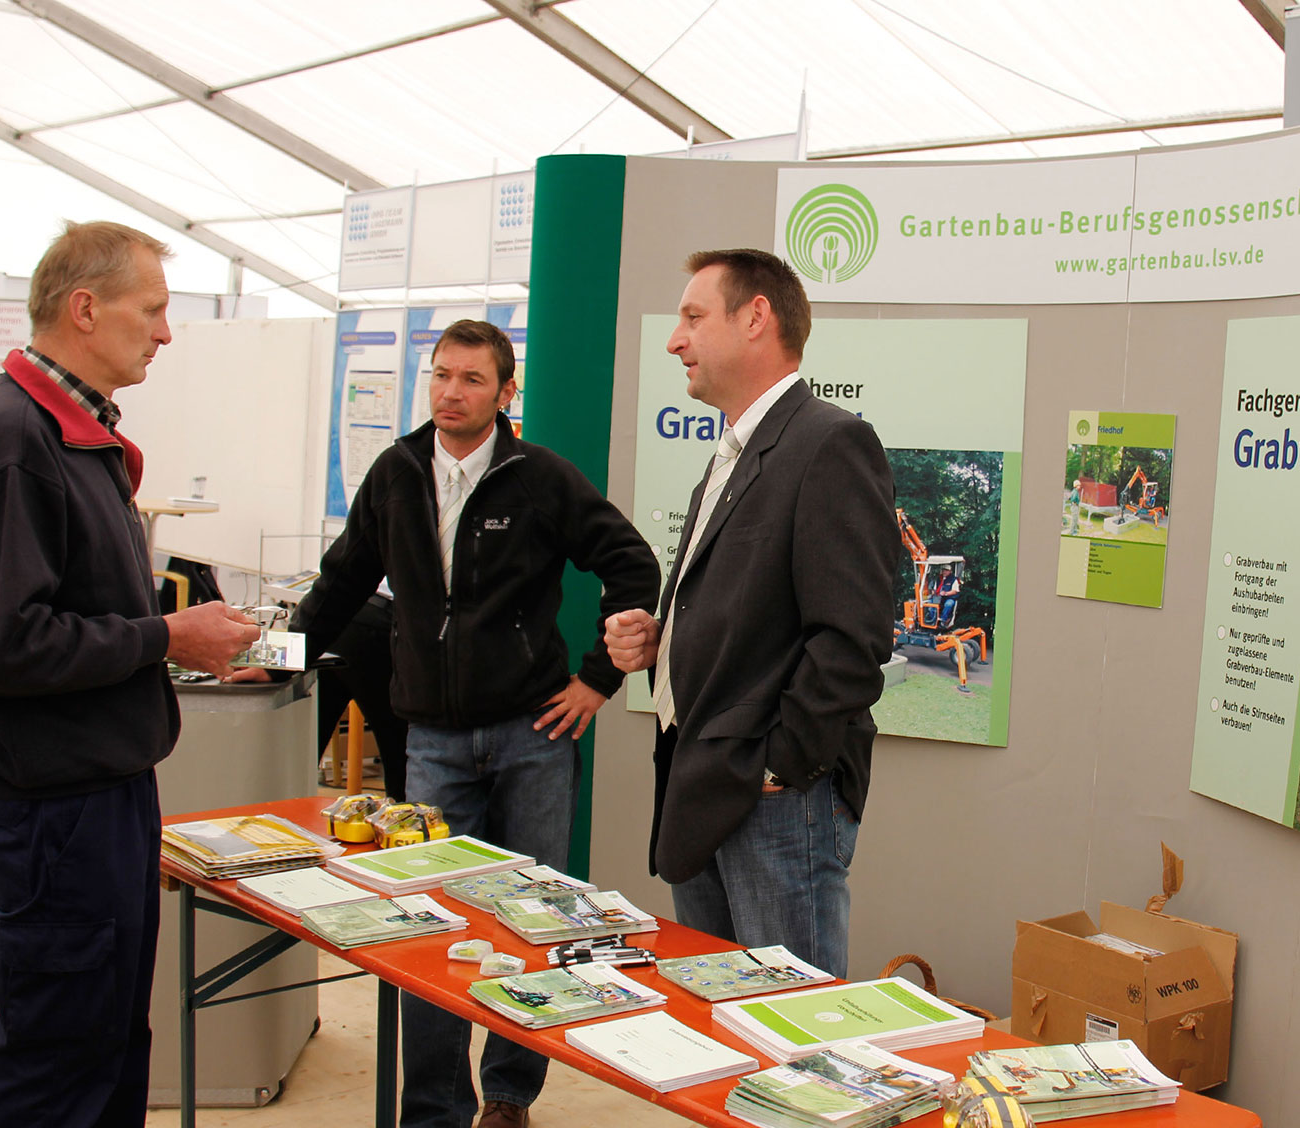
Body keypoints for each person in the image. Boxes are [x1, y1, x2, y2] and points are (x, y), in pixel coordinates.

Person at [266, 318, 658, 1128]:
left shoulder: (539, 478)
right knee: (430, 928)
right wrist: (276, 661)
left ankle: (510, 1095)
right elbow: (340, 585)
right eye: (441, 375)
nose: (451, 392)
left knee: (536, 924)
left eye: (472, 379)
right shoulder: (396, 473)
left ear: (506, 391)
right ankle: (436, 1108)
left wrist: (596, 681)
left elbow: (631, 564)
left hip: (533, 736)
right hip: (434, 745)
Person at [0, 220, 262, 1128]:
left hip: (97, 796)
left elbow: (68, 611)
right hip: (58, 809)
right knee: (59, 1064)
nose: (164, 333)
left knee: (109, 1043)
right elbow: (4, 647)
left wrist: (178, 643)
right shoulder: (12, 443)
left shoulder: (65, 434)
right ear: (84, 309)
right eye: (151, 311)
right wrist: (166, 637)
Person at [604, 248, 900, 979]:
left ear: (756, 317)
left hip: (773, 801)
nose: (674, 340)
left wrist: (782, 765)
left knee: (788, 1022)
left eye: (693, 317)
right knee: (718, 1015)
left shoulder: (829, 441)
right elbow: (756, 610)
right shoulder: (735, 451)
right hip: (704, 787)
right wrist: (664, 640)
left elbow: (853, 636)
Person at [314, 585, 409, 798]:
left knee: (306, 748)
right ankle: (403, 813)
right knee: (401, 751)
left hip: (338, 618)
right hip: (380, 624)